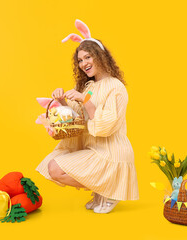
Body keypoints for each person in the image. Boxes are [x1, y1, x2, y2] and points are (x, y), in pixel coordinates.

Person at [36, 19, 139, 214]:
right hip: (93, 149)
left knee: (56, 168)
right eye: (80, 61)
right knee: (53, 168)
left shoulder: (116, 87)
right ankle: (103, 190)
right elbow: (78, 120)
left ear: (100, 56)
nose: (83, 64)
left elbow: (106, 125)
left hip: (111, 153)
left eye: (87, 57)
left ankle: (110, 190)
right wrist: (63, 102)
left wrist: (86, 100)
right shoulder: (88, 87)